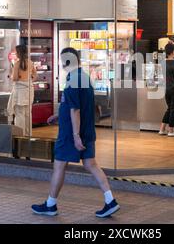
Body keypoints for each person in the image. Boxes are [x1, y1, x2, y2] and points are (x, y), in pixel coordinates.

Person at [31, 47, 120, 218]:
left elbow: (75, 110)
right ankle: (110, 200)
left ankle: (50, 205)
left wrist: (75, 136)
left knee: (59, 166)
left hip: (71, 134)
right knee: (91, 165)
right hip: (87, 130)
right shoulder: (84, 77)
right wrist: (59, 115)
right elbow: (77, 107)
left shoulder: (72, 82)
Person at [7, 44, 37, 136]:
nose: (15, 54)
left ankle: (20, 136)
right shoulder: (31, 63)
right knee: (28, 114)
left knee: (19, 115)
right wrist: (28, 80)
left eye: (16, 52)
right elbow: (35, 76)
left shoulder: (17, 64)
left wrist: (11, 76)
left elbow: (15, 78)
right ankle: (28, 135)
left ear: (19, 53)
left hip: (19, 91)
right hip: (29, 91)